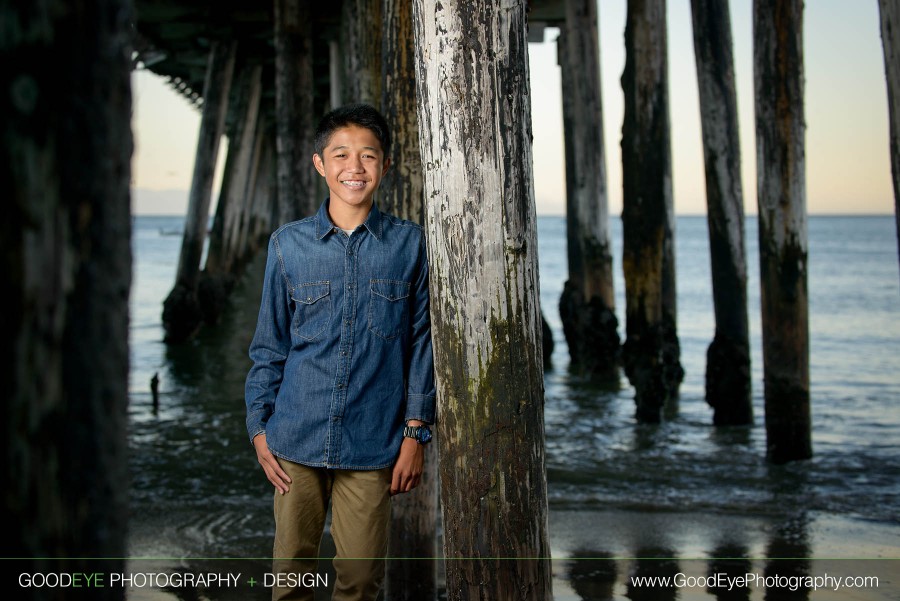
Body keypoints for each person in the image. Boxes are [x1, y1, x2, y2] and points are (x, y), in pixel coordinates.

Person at [245, 103, 436, 601]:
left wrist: (416, 433)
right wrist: (259, 430)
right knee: (291, 581)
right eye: (341, 155)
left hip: (372, 444)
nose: (355, 167)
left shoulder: (410, 246)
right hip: (294, 440)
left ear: (386, 165)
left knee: (360, 581)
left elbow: (421, 344)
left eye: (368, 156)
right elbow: (269, 346)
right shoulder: (287, 246)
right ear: (319, 164)